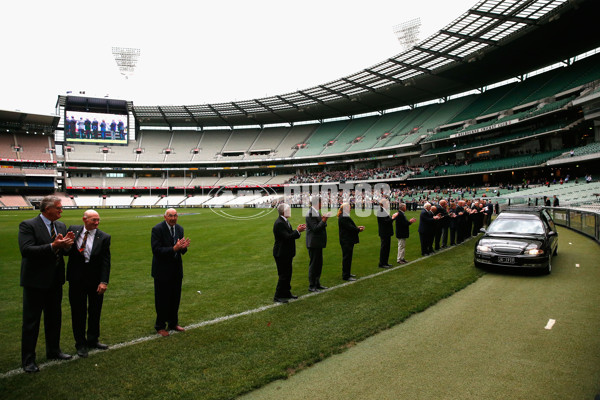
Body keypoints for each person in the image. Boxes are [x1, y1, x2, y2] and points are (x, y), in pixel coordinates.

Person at [18, 195, 75, 373]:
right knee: (31, 322)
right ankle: (28, 359)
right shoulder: (28, 225)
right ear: (47, 209)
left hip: (55, 280)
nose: (61, 211)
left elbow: (63, 252)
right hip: (35, 281)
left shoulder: (60, 225)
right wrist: (53, 245)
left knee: (54, 318)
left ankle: (53, 350)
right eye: (58, 208)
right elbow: (26, 250)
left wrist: (66, 246)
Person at [66, 210, 111, 358]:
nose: (97, 223)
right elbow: (66, 251)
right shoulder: (73, 230)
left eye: (98, 220)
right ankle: (80, 344)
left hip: (95, 281)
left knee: (95, 312)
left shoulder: (104, 237)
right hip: (76, 280)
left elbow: (105, 261)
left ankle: (93, 340)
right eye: (93, 220)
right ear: (84, 219)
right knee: (78, 313)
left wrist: (104, 281)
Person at [151, 208, 191, 337]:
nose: (173, 218)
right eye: (170, 216)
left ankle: (173, 323)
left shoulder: (179, 228)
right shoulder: (157, 229)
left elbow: (180, 250)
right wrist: (173, 249)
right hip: (162, 271)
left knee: (175, 298)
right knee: (162, 299)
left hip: (176, 270)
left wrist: (183, 248)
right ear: (165, 217)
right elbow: (156, 250)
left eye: (175, 216)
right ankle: (160, 326)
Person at [272, 203, 306, 303]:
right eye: (288, 209)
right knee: (283, 275)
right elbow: (287, 237)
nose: (290, 211)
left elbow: (291, 235)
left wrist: (298, 231)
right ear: (283, 211)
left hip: (286, 252)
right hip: (281, 253)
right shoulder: (279, 223)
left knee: (288, 274)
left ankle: (286, 292)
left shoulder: (285, 221)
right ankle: (278, 296)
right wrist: (297, 231)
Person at [305, 197, 329, 292]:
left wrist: (323, 220)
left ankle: (317, 283)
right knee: (314, 264)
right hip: (313, 243)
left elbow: (321, 224)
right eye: (321, 202)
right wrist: (324, 220)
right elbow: (315, 228)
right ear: (317, 203)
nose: (322, 204)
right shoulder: (310, 213)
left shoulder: (316, 212)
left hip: (317, 242)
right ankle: (312, 285)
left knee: (319, 264)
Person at [337, 203, 364, 281]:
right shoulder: (343, 217)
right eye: (349, 208)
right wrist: (358, 229)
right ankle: (346, 275)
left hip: (347, 240)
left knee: (348, 257)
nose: (350, 209)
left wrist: (357, 227)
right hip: (346, 240)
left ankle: (347, 273)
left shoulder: (343, 216)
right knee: (347, 258)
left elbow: (349, 226)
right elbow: (350, 228)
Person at [376, 199, 394, 269]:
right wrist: (393, 218)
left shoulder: (384, 210)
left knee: (387, 248)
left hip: (387, 232)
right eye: (387, 203)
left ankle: (385, 262)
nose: (388, 205)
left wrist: (392, 218)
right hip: (384, 232)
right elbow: (385, 221)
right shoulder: (380, 211)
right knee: (384, 248)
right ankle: (382, 263)